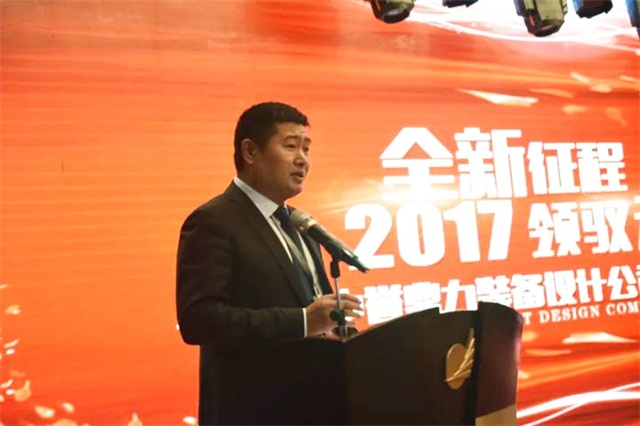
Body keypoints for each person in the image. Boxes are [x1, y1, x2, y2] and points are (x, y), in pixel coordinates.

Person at [176, 101, 363, 425]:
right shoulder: (214, 221)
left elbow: (313, 310)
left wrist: (336, 331)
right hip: (253, 410)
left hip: (314, 405)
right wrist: (302, 321)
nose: (303, 159)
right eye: (290, 146)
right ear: (250, 152)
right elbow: (199, 320)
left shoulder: (299, 224)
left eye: (306, 148)